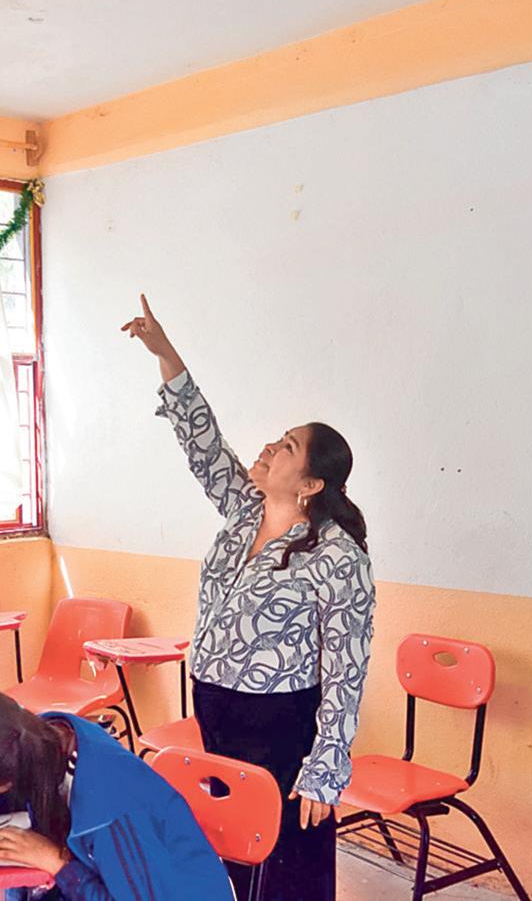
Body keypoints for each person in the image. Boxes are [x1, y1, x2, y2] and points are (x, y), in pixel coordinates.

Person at [122, 294, 374, 901]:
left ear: (311, 483)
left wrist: (326, 768)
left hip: (280, 722)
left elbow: (347, 668)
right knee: (229, 841)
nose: (268, 447)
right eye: (277, 438)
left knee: (287, 854)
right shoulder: (244, 511)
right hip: (216, 707)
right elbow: (203, 444)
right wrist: (164, 352)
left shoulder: (337, 555)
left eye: (286, 447)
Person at [0, 686, 234, 901]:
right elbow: (31, 797)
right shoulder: (43, 737)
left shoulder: (109, 807)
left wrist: (56, 863)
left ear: (5, 772)